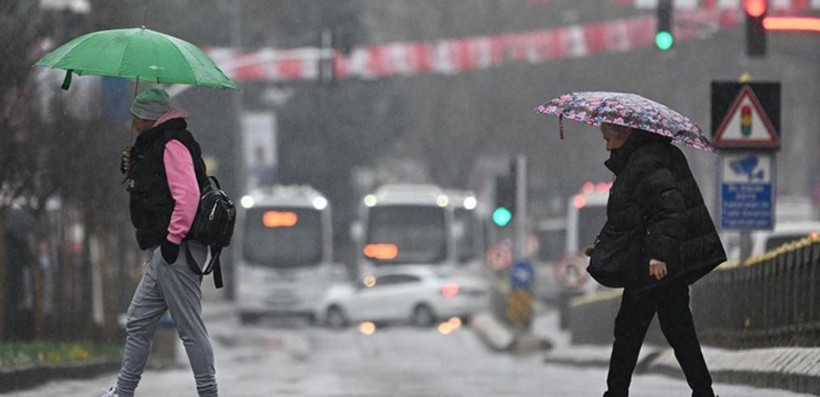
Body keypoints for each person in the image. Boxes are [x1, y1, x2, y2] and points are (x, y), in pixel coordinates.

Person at [103, 88, 218, 397]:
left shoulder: (172, 144)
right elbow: (155, 187)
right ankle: (123, 392)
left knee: (190, 329)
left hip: (176, 249)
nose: (132, 122)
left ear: (146, 118)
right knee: (138, 322)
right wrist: (133, 167)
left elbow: (188, 196)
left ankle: (209, 393)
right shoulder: (154, 144)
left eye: (135, 117)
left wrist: (172, 239)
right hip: (162, 251)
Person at [597, 123, 726, 397]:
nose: (606, 146)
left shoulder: (646, 162)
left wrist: (659, 254)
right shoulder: (646, 157)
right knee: (678, 329)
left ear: (625, 135)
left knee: (629, 331)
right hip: (662, 263)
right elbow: (633, 214)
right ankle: (703, 391)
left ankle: (616, 393)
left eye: (609, 139)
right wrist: (605, 247)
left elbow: (670, 210)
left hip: (653, 265)